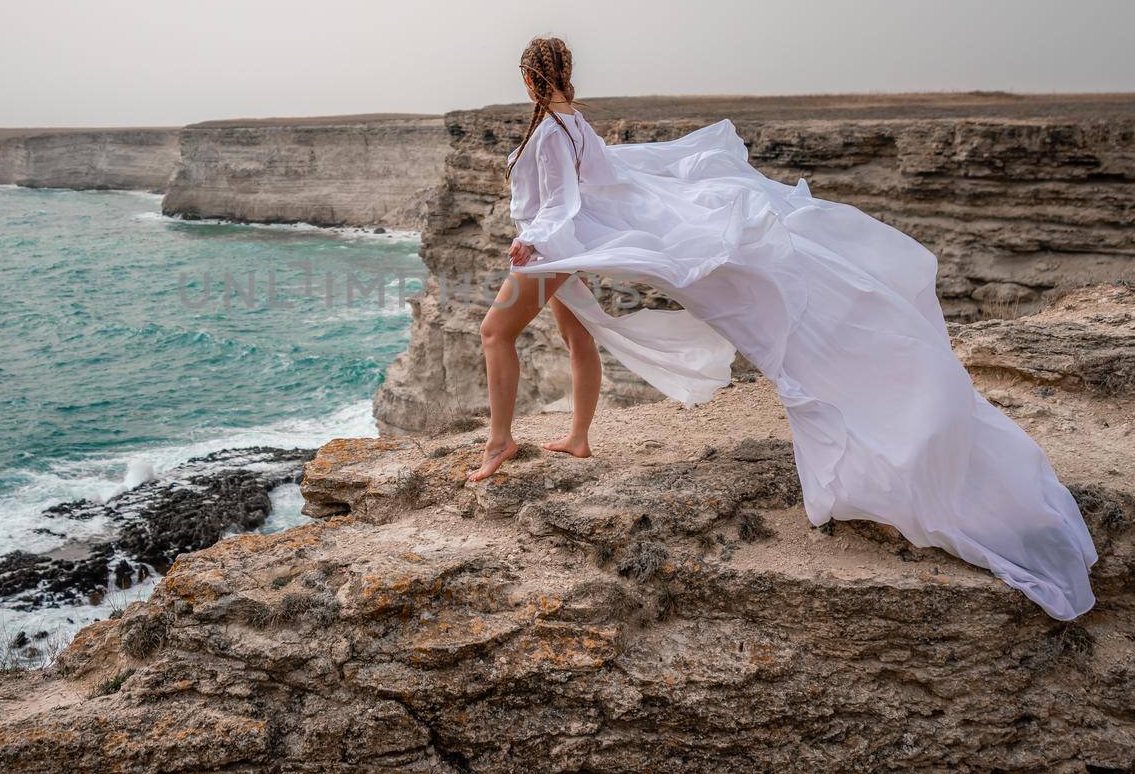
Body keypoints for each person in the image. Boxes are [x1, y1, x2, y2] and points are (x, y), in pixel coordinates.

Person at [469, 35, 1097, 621]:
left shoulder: (554, 130)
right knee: (578, 335)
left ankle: (500, 441)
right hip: (565, 243)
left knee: (496, 333)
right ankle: (577, 436)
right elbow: (597, 184)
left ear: (529, 77)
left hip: (550, 245)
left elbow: (559, 203)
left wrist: (531, 244)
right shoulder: (573, 122)